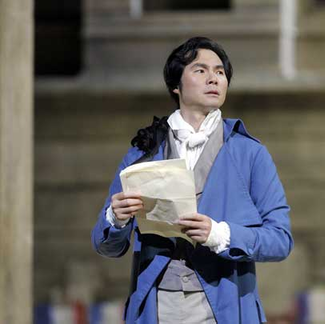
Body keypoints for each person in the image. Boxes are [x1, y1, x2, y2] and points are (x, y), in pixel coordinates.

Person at [91, 36, 293, 324]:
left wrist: (220, 234)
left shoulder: (250, 153)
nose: (214, 78)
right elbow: (106, 245)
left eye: (220, 72)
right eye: (200, 70)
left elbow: (281, 239)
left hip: (224, 304)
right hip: (157, 304)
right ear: (177, 85)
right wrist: (117, 218)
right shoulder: (144, 151)